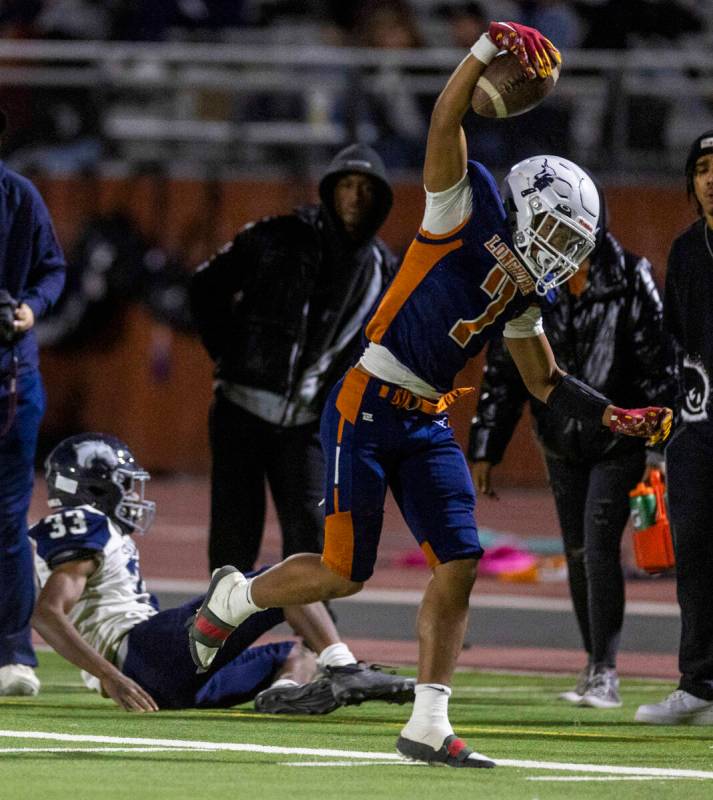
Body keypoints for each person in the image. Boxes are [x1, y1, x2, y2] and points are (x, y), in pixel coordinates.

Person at [188, 20, 671, 767]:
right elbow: (447, 120)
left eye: (572, 241)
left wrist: (609, 412)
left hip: (426, 422)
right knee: (345, 571)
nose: (559, 250)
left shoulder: (524, 290)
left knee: (460, 556)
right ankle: (235, 598)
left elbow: (542, 379)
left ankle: (427, 722)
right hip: (368, 402)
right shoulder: (463, 208)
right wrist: (482, 49)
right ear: (528, 202)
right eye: (557, 230)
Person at [469, 176, 677, 709]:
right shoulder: (532, 279)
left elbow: (657, 359)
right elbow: (506, 366)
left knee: (599, 545)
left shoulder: (630, 275)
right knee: (580, 551)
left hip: (617, 442)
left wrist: (656, 440)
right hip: (559, 441)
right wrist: (487, 443)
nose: (560, 238)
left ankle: (604, 670)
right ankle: (593, 666)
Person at [30, 433, 415, 713]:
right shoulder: (82, 522)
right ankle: (345, 667)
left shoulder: (83, 530)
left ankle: (283, 691)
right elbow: (47, 613)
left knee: (300, 653)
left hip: (166, 684)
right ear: (93, 489)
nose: (132, 495)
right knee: (275, 583)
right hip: (140, 654)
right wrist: (110, 674)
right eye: (124, 485)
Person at [190, 142, 397, 574]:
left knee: (312, 538)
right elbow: (204, 288)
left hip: (309, 423)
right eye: (346, 185)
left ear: (381, 200)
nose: (356, 197)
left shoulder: (384, 270)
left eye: (366, 188)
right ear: (329, 191)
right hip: (240, 408)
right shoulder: (276, 236)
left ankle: (313, 640)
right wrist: (230, 355)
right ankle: (222, 636)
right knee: (233, 535)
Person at [635, 130, 713, 725]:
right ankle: (699, 684)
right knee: (694, 557)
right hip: (697, 430)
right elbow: (673, 344)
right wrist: (666, 429)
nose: (711, 178)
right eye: (703, 168)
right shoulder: (687, 251)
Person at [0, 107, 66, 697]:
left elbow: (52, 269)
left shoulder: (18, 197)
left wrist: (28, 310)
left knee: (7, 516)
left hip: (9, 383)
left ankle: (15, 652)